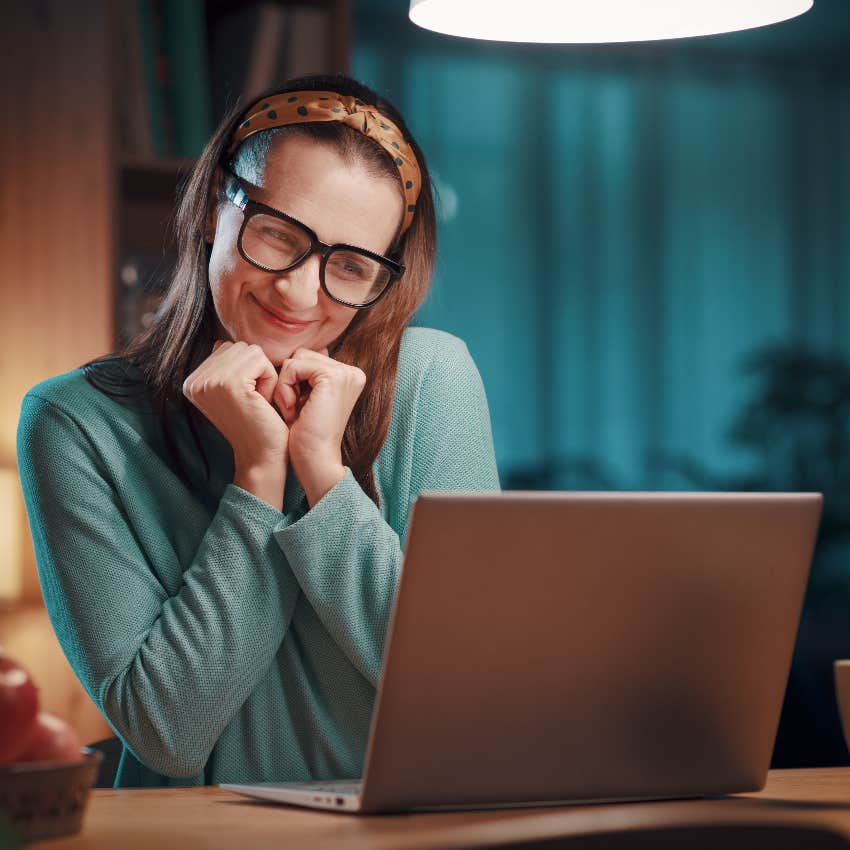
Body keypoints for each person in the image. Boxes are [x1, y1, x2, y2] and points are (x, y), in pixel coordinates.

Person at [15, 73, 500, 788]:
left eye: (351, 266)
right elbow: (167, 733)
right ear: (217, 206)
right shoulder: (74, 424)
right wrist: (259, 478)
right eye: (278, 234)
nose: (300, 293)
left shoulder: (433, 379)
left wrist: (325, 476)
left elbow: (471, 694)